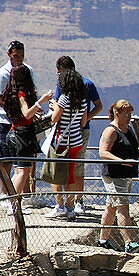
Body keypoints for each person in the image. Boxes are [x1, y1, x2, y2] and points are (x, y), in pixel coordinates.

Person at [53, 56, 102, 217]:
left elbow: (56, 115)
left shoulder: (66, 86)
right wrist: (85, 118)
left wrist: (54, 107)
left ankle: (66, 204)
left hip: (66, 135)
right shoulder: (86, 85)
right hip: (79, 134)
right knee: (76, 169)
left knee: (61, 170)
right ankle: (75, 204)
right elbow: (97, 107)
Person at [97, 99, 139, 252]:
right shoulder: (111, 131)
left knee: (111, 207)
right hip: (114, 175)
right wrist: (122, 162)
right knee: (122, 207)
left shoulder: (128, 129)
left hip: (126, 174)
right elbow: (103, 152)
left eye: (130, 114)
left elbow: (129, 148)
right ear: (117, 114)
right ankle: (129, 242)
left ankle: (103, 240)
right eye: (126, 114)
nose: (129, 117)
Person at [3, 66, 53, 209]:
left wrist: (34, 113)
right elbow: (26, 114)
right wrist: (41, 101)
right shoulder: (22, 94)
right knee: (23, 172)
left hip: (14, 133)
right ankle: (13, 204)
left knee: (18, 171)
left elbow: (22, 116)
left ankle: (9, 199)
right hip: (21, 138)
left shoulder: (11, 93)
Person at [45, 68, 89, 219]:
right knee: (70, 175)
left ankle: (60, 206)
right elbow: (83, 122)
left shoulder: (64, 99)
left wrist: (53, 107)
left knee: (56, 174)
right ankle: (71, 209)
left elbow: (54, 119)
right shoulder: (83, 100)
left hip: (62, 143)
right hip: (76, 141)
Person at [0, 40, 33, 195]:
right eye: (16, 55)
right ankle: (4, 193)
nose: (19, 58)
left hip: (23, 122)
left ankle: (26, 194)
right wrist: (18, 112)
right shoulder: (3, 73)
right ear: (9, 54)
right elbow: (0, 101)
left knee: (24, 160)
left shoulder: (27, 70)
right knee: (7, 160)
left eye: (22, 55)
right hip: (6, 121)